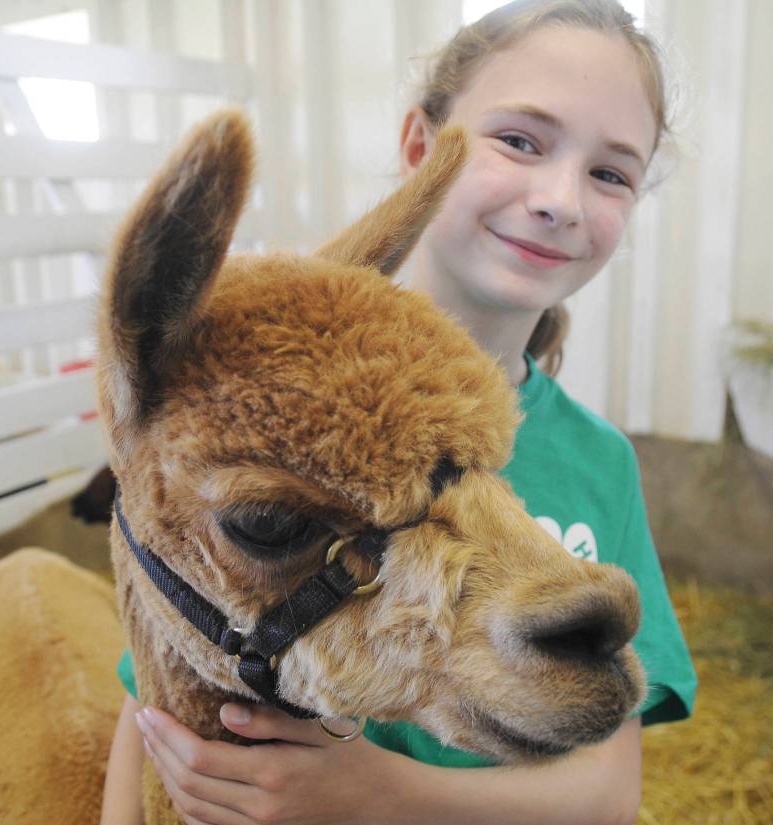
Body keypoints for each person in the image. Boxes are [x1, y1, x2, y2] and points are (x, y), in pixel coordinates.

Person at [101, 1, 697, 822]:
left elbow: (607, 794)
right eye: (521, 141)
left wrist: (372, 797)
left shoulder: (600, 463)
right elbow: (161, 675)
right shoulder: (254, 414)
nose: (560, 197)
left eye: (610, 173)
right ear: (424, 150)